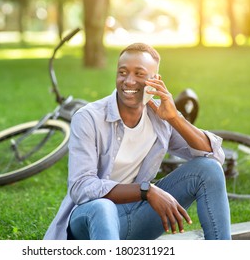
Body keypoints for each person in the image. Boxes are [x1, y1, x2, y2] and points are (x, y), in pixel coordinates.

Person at [44, 43, 231, 240]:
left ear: (155, 81)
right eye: (122, 72)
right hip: (89, 223)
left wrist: (174, 117)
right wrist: (145, 191)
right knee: (103, 207)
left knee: (208, 170)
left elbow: (214, 156)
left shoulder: (160, 117)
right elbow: (81, 187)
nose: (129, 81)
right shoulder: (88, 118)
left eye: (139, 74)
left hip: (134, 218)